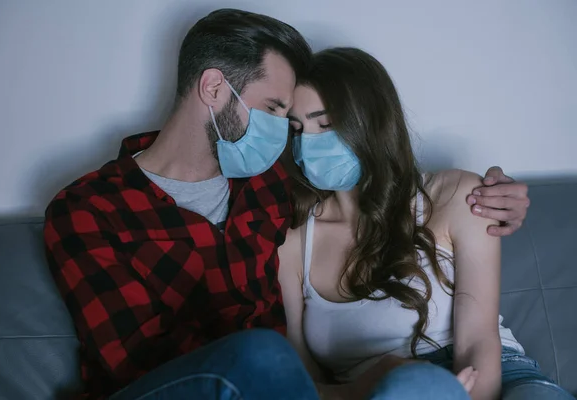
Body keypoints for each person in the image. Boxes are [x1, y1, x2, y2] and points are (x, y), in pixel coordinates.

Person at [43, 8, 530, 400]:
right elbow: (135, 362)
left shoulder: (275, 186)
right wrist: (349, 390)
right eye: (276, 112)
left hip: (312, 387)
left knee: (416, 386)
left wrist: (496, 196)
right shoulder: (88, 209)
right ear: (214, 88)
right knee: (261, 355)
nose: (285, 136)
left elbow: (375, 175)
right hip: (187, 387)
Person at [279, 47, 574, 400]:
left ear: (370, 120)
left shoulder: (455, 194)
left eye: (325, 124)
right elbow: (301, 375)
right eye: (297, 129)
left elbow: (479, 340)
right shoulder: (294, 237)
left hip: (496, 379)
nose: (308, 143)